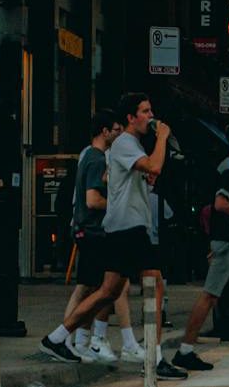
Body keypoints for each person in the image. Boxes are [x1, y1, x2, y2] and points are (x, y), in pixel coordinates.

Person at [41, 94, 188, 380]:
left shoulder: (127, 146)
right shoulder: (125, 143)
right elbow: (155, 166)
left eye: (150, 109)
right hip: (129, 227)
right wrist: (162, 138)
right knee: (155, 285)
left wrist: (136, 178)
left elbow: (113, 177)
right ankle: (155, 359)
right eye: (145, 111)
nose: (151, 115)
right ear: (131, 118)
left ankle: (57, 338)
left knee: (107, 292)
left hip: (124, 226)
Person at [172, 123, 229, 373]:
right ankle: (185, 351)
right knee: (210, 294)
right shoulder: (228, 168)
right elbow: (220, 204)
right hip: (226, 239)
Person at [64, 111, 144, 365]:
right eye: (116, 130)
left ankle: (85, 341)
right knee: (89, 289)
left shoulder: (89, 155)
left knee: (103, 288)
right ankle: (66, 340)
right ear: (104, 131)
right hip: (92, 231)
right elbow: (92, 199)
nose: (119, 135)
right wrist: (118, 203)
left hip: (90, 230)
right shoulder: (97, 159)